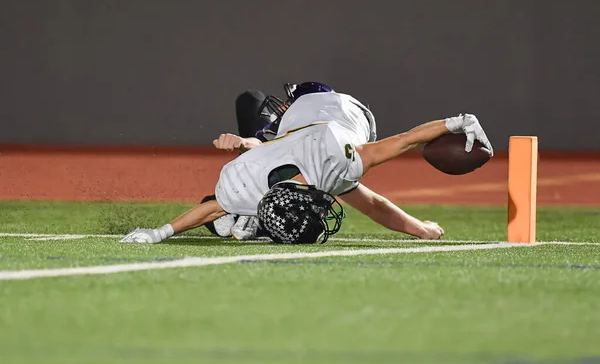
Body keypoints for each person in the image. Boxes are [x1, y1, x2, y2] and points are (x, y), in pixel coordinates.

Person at [120, 83, 493, 244]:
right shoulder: (335, 169)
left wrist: (458, 121)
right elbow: (378, 192)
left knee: (253, 108)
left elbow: (404, 141)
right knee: (251, 109)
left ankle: (251, 219)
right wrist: (158, 233)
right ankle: (252, 219)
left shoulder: (335, 154)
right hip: (307, 136)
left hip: (340, 126)